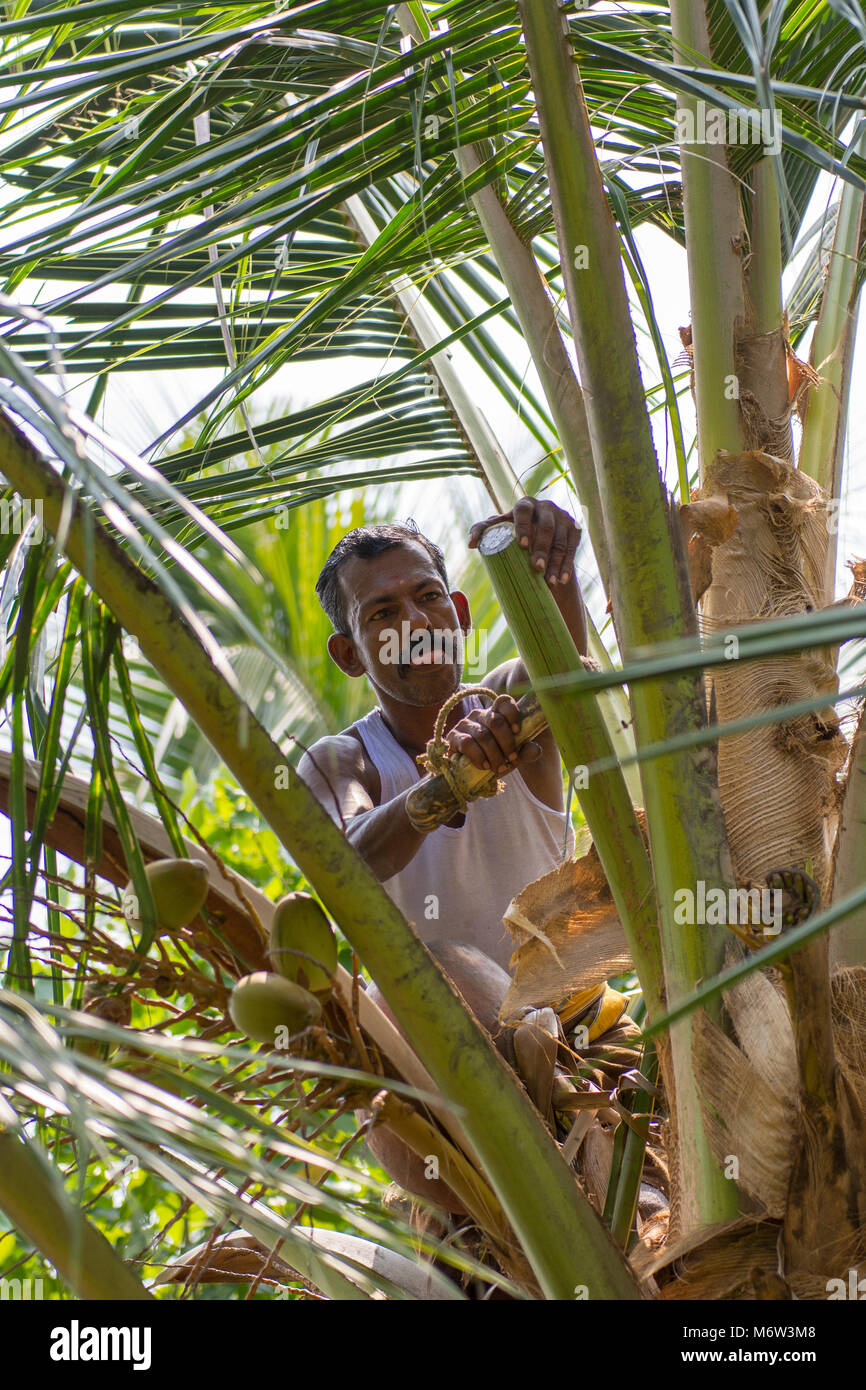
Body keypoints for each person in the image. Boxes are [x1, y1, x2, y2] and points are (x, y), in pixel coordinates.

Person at [298, 495, 588, 972]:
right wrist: (447, 787)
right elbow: (345, 863)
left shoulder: (509, 699)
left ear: (460, 613)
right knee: (447, 966)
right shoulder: (343, 761)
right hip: (443, 1043)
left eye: (429, 597)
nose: (416, 623)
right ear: (348, 655)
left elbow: (565, 672)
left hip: (584, 1029)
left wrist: (555, 560)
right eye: (382, 614)